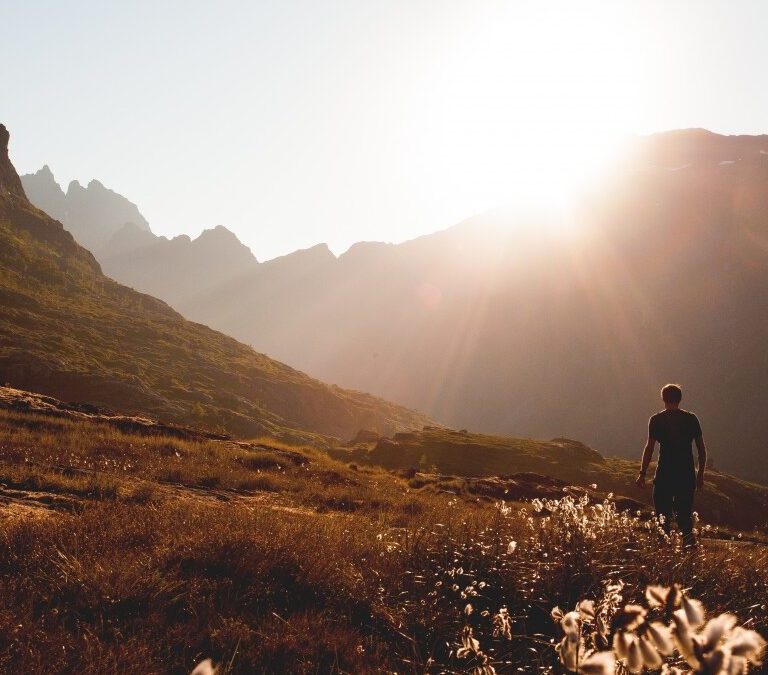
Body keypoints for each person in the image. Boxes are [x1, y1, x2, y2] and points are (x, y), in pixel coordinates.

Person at [635, 384, 706, 547]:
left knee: (662, 519)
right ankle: (690, 558)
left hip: (664, 476)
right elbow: (701, 449)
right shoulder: (691, 419)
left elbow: (650, 448)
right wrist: (700, 475)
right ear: (680, 399)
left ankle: (663, 555)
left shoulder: (656, 420)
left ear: (663, 399)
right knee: (685, 519)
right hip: (686, 476)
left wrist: (642, 473)